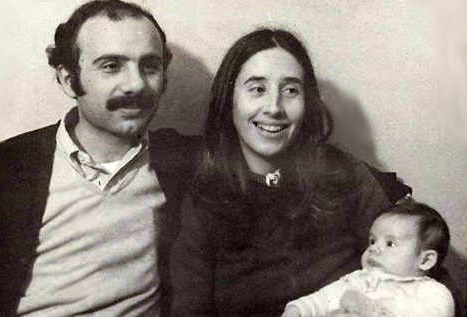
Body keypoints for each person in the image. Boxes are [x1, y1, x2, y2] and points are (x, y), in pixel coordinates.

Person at [169, 28, 411, 317]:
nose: (274, 108)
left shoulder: (344, 173)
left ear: (307, 103)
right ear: (229, 100)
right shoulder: (205, 196)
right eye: (257, 89)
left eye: (291, 90)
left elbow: (416, 271)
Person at [0, 1, 200, 316]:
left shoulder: (183, 161)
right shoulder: (5, 168)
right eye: (111, 65)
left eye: (149, 66)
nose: (136, 84)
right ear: (67, 79)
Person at [282, 201, 455, 317]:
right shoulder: (357, 280)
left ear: (425, 260)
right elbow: (320, 299)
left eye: (390, 243)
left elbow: (436, 313)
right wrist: (297, 310)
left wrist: (373, 308)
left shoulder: (430, 290)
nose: (373, 248)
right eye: (372, 240)